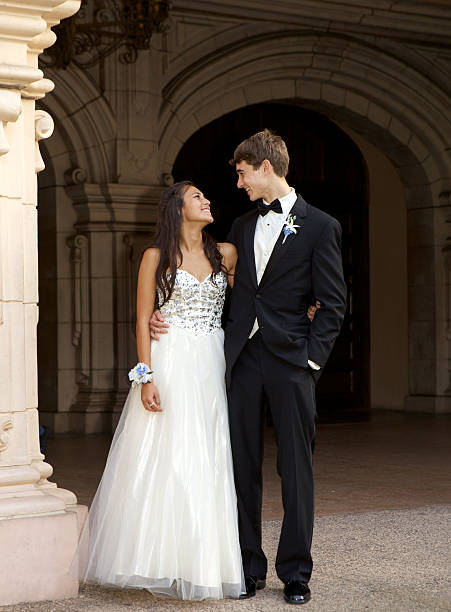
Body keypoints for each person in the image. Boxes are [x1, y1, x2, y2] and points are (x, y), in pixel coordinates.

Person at [151, 129, 347, 605]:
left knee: (295, 468)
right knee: (240, 466)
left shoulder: (321, 226)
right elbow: (219, 285)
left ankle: (296, 572)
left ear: (264, 167)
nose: (238, 184)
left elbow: (333, 303)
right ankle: (248, 566)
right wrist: (166, 312)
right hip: (240, 361)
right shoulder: (239, 226)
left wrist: (310, 361)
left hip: (291, 363)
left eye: (241, 174)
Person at [76, 181, 244, 600]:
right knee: (167, 455)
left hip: (210, 361)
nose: (207, 201)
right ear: (176, 208)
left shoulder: (226, 253)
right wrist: (145, 376)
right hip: (170, 362)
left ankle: (203, 562)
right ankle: (156, 560)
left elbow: (247, 307)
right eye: (197, 197)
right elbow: (141, 321)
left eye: (207, 196)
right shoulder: (155, 257)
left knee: (207, 454)